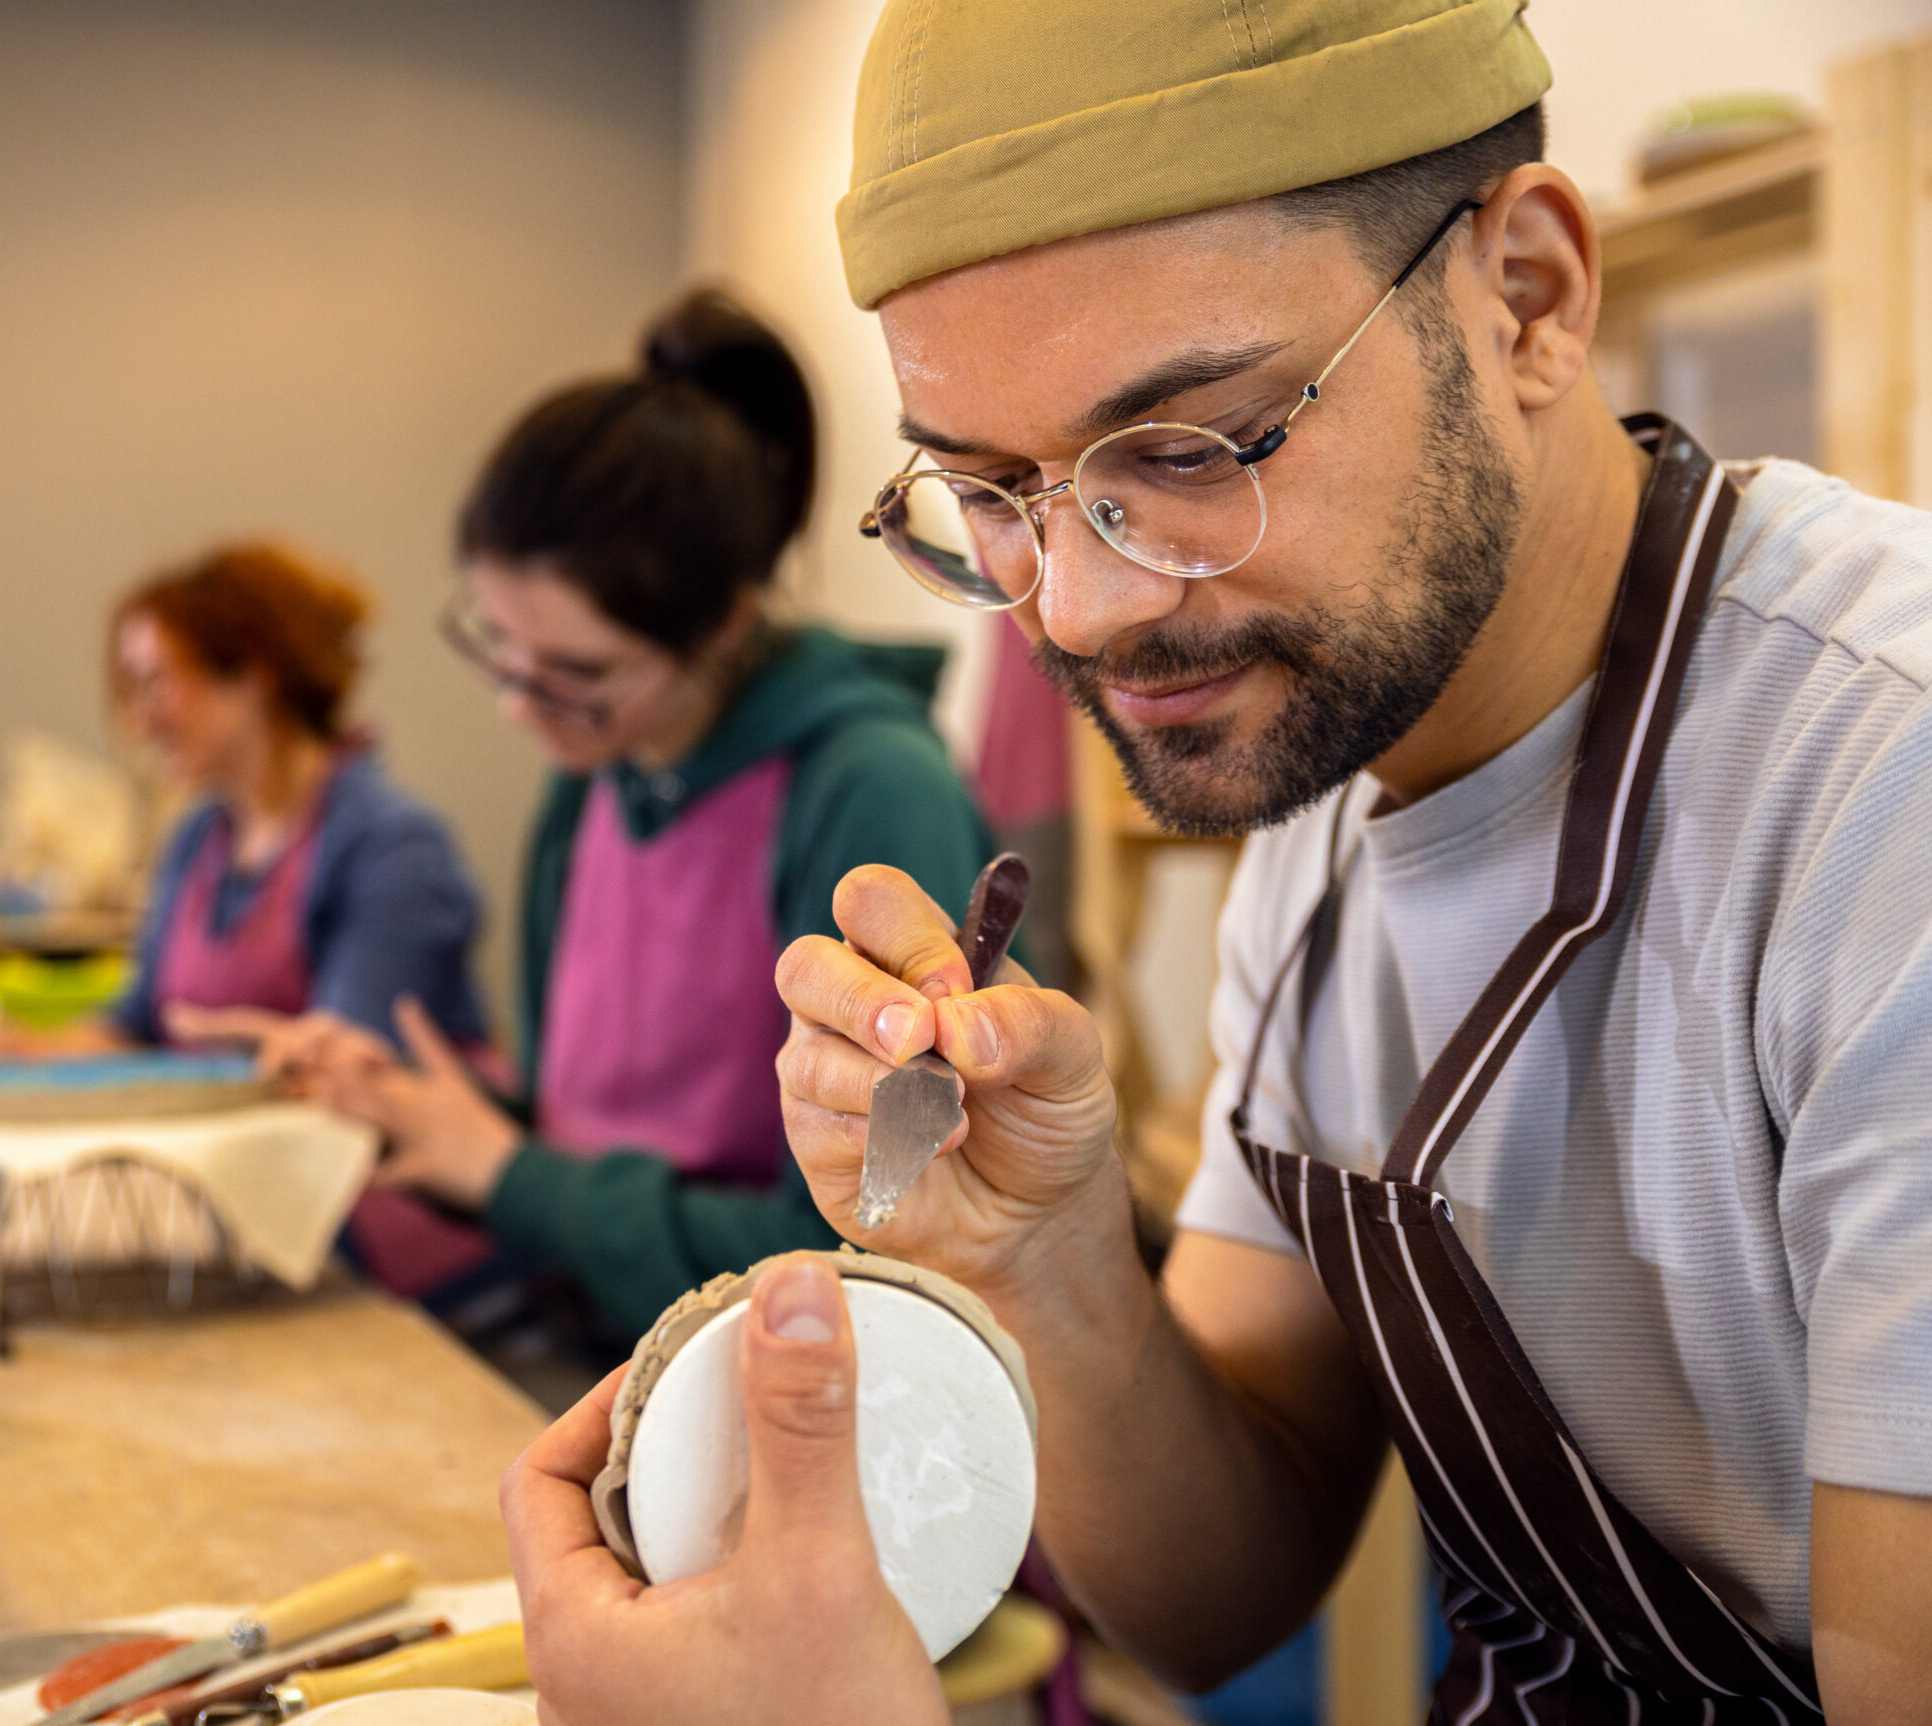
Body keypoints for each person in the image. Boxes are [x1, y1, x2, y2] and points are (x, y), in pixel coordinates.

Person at [505, 2, 1932, 1720]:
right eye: (990, 491)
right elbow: (1216, 1596)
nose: (1086, 608)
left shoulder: (1879, 795)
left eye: (1186, 451)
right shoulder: (1332, 769)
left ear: (1531, 297)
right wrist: (1042, 1253)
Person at [274, 289, 997, 1335]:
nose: (522, 707)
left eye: (577, 671)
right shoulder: (600, 771)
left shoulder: (867, 789)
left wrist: (513, 1175)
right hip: (597, 1338)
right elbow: (583, 1141)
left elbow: (873, 1243)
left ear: (722, 623)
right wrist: (412, 1112)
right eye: (500, 649)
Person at [94, 541, 487, 1054]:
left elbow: (351, 1064)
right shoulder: (197, 839)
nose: (139, 722)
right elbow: (135, 1027)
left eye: (156, 684)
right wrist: (3, 1048)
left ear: (254, 674)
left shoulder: (393, 847)